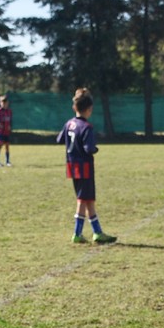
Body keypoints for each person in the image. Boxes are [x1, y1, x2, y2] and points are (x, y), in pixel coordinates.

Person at [56, 88, 116, 245]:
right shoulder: (87, 127)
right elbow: (89, 148)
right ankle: (77, 233)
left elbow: (59, 139)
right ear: (89, 109)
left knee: (88, 199)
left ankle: (97, 232)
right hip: (85, 167)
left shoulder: (69, 123)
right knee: (83, 199)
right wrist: (95, 148)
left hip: (72, 165)